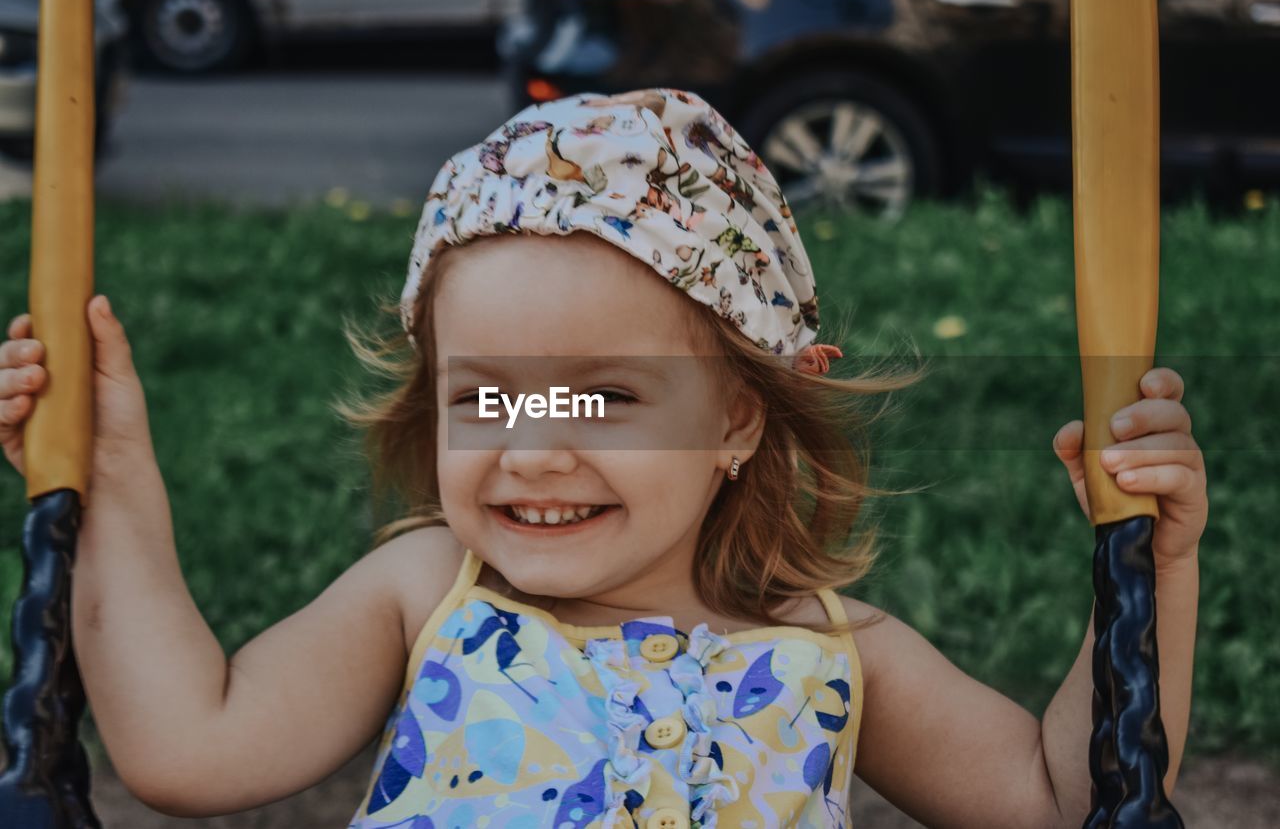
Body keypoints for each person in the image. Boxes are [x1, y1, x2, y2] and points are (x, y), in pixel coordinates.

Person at [0, 88, 1206, 828]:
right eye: (483, 397)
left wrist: (1148, 568)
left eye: (603, 396)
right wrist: (107, 476)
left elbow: (1065, 799)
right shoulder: (429, 598)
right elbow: (184, 747)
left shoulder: (831, 649)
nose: (532, 449)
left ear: (739, 417)